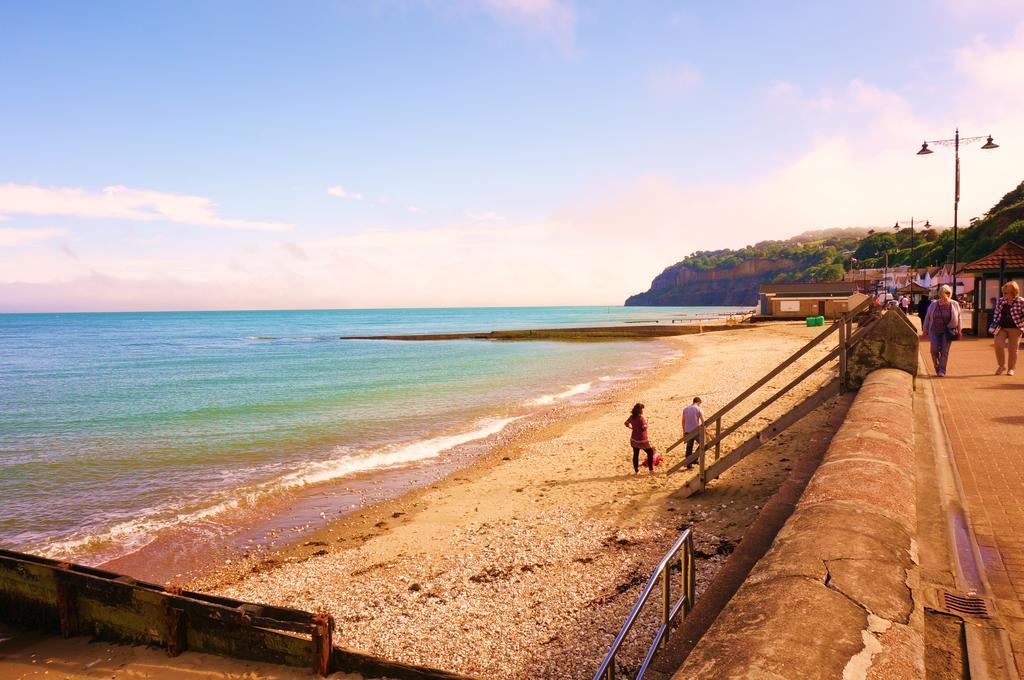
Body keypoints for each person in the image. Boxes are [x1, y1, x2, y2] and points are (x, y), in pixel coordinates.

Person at [921, 284, 962, 377]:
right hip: (934, 330)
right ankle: (937, 366)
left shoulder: (954, 304)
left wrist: (959, 331)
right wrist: (925, 329)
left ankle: (941, 370)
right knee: (934, 350)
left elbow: (959, 318)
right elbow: (927, 317)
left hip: (948, 332)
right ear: (940, 294)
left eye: (948, 294)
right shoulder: (934, 304)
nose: (946, 297)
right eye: (944, 295)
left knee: (944, 351)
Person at [990, 280, 1024, 376]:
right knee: (998, 346)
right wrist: (994, 323)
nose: (1005, 294)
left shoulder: (1021, 301)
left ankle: (1011, 368)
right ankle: (1001, 366)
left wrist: (1022, 325)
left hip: (1016, 328)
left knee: (1012, 349)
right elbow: (996, 313)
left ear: (1013, 292)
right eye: (1004, 292)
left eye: (1007, 292)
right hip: (1001, 328)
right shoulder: (1001, 300)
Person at [624, 403, 655, 474]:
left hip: (634, 439)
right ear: (640, 410)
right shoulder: (641, 418)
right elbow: (644, 427)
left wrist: (631, 428)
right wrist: (647, 424)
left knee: (636, 454)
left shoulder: (631, 417)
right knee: (650, 452)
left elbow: (626, 423)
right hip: (642, 440)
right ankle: (651, 470)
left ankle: (636, 471)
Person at [681, 397, 705, 469]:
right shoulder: (698, 409)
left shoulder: (685, 409)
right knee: (703, 443)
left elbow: (683, 421)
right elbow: (703, 421)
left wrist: (684, 431)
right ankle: (694, 459)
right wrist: (704, 430)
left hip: (687, 431)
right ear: (698, 402)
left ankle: (689, 464)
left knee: (689, 447)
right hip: (696, 430)